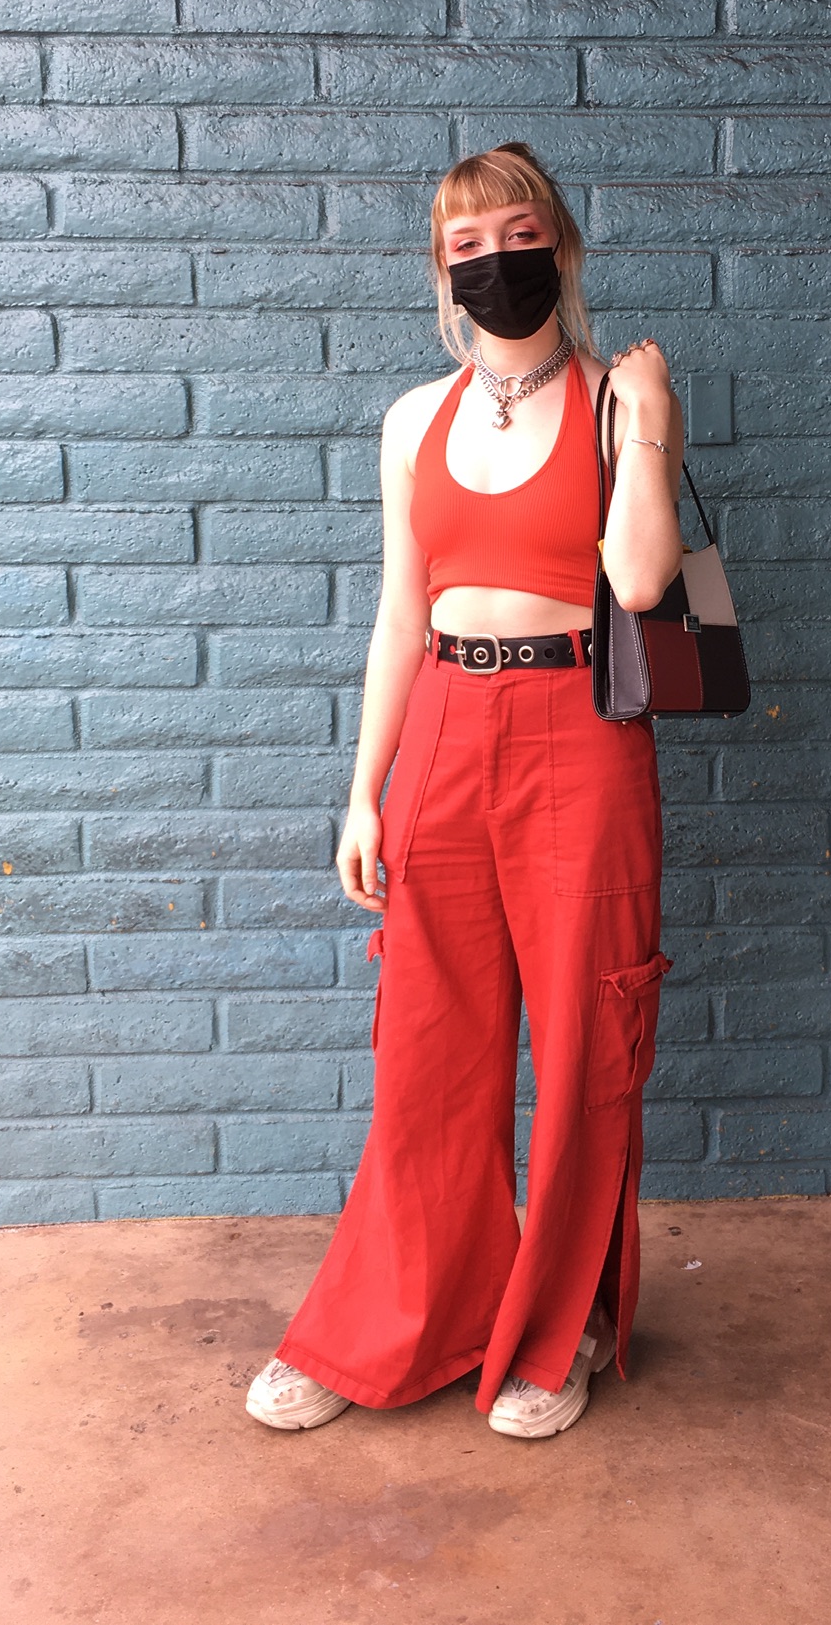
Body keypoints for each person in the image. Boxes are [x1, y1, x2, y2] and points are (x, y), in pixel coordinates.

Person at [246, 142, 685, 1440]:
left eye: (512, 231)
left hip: (579, 734)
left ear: (558, 242)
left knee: (586, 1036)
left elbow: (646, 583)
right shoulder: (410, 421)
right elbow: (396, 616)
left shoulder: (614, 399)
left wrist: (650, 418)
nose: (492, 259)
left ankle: (562, 1332)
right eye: (462, 244)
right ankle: (390, 1321)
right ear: (440, 273)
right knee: (428, 1055)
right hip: (441, 725)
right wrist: (362, 792)